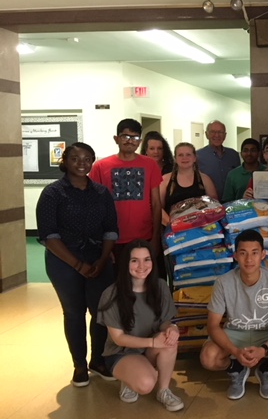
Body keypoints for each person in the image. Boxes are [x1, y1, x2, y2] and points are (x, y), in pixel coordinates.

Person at [35, 142, 118, 387]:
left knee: (101, 312)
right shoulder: (52, 193)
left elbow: (111, 229)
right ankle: (79, 366)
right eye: (75, 158)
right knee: (74, 313)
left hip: (98, 259)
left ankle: (98, 361)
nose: (82, 163)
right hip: (64, 261)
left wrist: (103, 259)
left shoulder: (101, 192)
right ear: (65, 161)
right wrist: (78, 265)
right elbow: (49, 236)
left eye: (87, 158)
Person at [200, 229, 268, 400]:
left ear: (263, 254)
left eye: (254, 252)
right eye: (243, 253)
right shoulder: (223, 283)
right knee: (208, 358)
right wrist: (235, 352)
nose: (249, 259)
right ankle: (236, 369)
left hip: (267, 332)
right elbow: (213, 325)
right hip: (234, 333)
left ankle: (265, 369)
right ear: (235, 256)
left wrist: (264, 350)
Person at [97, 240, 184, 412]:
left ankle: (164, 391)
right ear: (126, 263)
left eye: (147, 259)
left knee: (169, 340)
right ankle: (129, 379)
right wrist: (153, 342)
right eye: (135, 260)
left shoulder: (160, 286)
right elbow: (119, 338)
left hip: (149, 348)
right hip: (121, 352)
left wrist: (171, 328)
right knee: (145, 384)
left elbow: (164, 321)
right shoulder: (111, 294)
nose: (142, 266)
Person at [89, 118, 164, 276]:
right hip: (112, 239)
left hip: (144, 237)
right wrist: (102, 244)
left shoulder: (150, 165)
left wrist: (156, 238)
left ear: (140, 142)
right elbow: (95, 206)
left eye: (135, 137)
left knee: (143, 282)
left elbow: (156, 203)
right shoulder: (100, 167)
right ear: (116, 139)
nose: (130, 141)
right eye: (125, 136)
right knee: (116, 284)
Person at [159, 142, 218, 226]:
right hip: (173, 229)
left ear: (194, 158)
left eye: (188, 155)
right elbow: (158, 207)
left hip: (201, 229)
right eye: (180, 155)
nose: (184, 158)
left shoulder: (205, 179)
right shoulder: (165, 180)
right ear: (175, 158)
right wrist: (173, 225)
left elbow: (215, 206)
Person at [197, 120, 241, 200]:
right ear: (206, 134)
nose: (217, 135)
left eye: (220, 132)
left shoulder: (233, 155)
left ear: (225, 135)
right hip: (209, 203)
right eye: (213, 132)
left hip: (232, 202)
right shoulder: (198, 156)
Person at [221, 138, 264, 202]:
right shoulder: (233, 175)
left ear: (259, 153)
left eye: (253, 150)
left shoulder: (266, 171)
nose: (249, 154)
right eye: (245, 151)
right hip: (239, 208)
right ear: (241, 154)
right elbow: (227, 202)